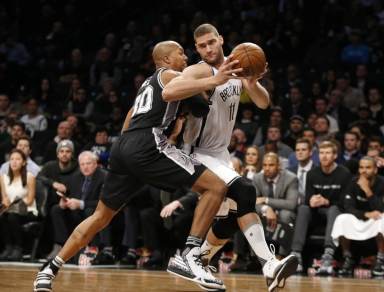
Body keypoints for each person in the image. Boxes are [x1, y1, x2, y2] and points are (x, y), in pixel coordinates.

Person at [33, 40, 228, 292]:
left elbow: (132, 116)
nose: (185, 57)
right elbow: (199, 106)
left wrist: (128, 148)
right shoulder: (171, 75)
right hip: (148, 144)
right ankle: (190, 256)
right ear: (166, 60)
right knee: (216, 187)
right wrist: (214, 80)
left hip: (124, 147)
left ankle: (50, 269)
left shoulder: (147, 85)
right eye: (180, 53)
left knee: (100, 217)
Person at [163, 23, 297, 292]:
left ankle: (197, 259)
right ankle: (269, 264)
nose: (208, 49)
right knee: (246, 191)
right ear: (197, 49)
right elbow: (170, 89)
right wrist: (211, 81)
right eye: (201, 46)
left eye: (211, 42)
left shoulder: (237, 69)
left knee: (233, 216)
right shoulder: (200, 69)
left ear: (221, 39)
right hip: (196, 153)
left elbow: (262, 103)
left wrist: (252, 82)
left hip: (220, 154)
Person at [290, 141, 351, 275]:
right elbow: (307, 199)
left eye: (328, 153)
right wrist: (311, 201)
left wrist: (326, 201)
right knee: (303, 208)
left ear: (335, 155)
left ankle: (328, 254)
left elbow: (345, 203)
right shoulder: (312, 173)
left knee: (334, 209)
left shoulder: (344, 173)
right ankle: (296, 254)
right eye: (322, 153)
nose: (324, 156)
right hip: (316, 212)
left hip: (335, 213)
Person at [331, 157, 384, 276]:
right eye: (361, 167)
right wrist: (365, 214)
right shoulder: (352, 182)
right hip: (359, 218)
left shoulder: (382, 183)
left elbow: (381, 208)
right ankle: (347, 258)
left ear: (375, 170)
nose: (364, 171)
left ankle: (381, 259)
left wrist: (367, 190)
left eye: (368, 167)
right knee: (342, 218)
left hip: (375, 219)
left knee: (383, 218)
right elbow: (348, 207)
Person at [0, 149, 37, 261]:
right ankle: (8, 247)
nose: (14, 162)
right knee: (3, 216)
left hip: (27, 210)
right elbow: (5, 198)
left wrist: (14, 204)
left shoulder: (30, 177)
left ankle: (18, 248)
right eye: (12, 159)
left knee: (12, 216)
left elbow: (30, 200)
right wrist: (5, 203)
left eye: (18, 159)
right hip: (10, 210)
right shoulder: (3, 178)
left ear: (24, 162)